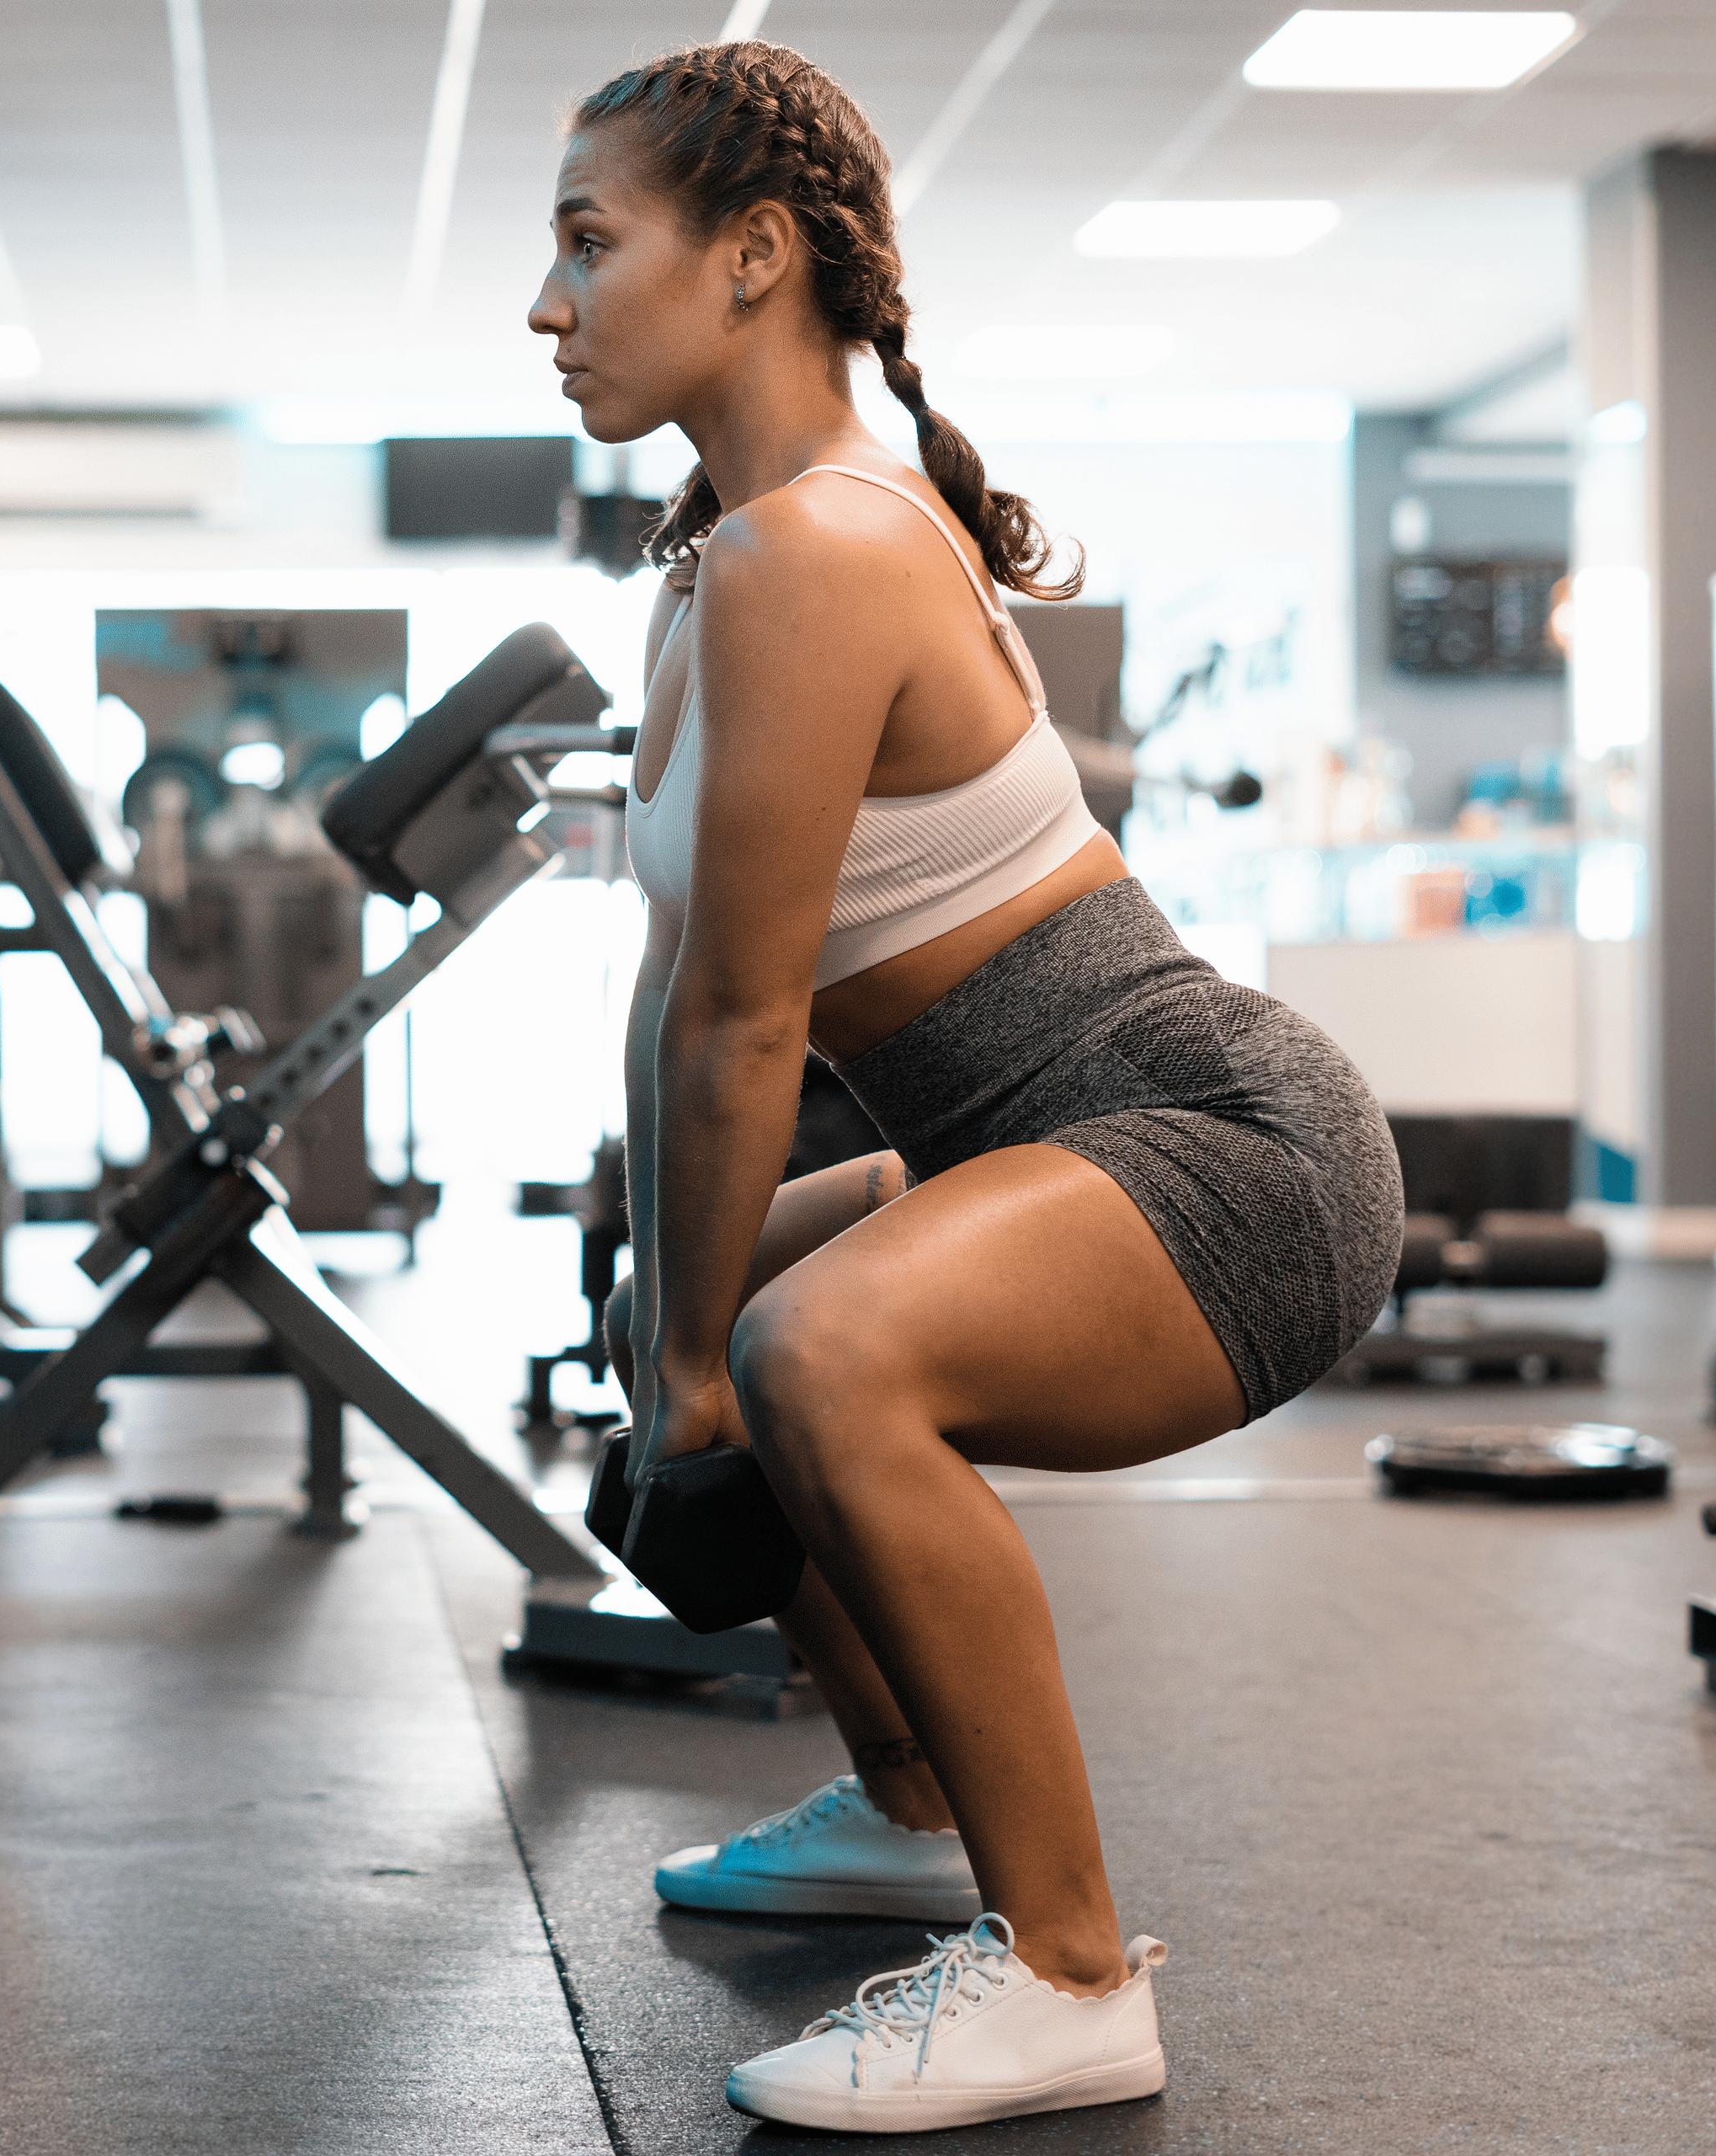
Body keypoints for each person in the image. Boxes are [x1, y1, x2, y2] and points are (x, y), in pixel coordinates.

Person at [527, 40, 1404, 2135]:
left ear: (750, 256)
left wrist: (702, 1369)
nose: (545, 304)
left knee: (807, 1348)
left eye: (585, 241)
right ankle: (915, 1805)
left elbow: (747, 1019)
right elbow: (673, 990)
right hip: (1041, 1123)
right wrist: (658, 1308)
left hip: (1227, 1143)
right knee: (711, 1305)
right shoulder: (713, 563)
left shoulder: (817, 548)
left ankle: (1074, 1970)